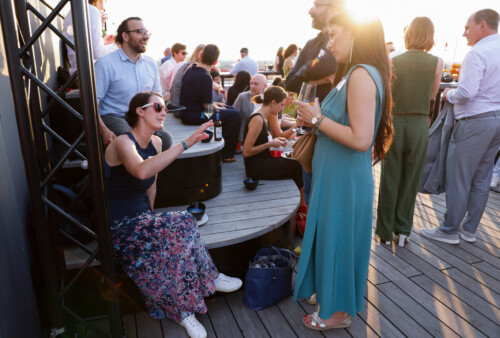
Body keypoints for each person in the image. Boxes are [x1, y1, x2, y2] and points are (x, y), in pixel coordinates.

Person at [105, 91, 242, 338]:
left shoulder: (156, 142)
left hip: (142, 220)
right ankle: (211, 278)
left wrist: (154, 222)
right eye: (158, 107)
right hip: (120, 226)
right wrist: (186, 143)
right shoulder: (123, 142)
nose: (164, 112)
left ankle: (184, 314)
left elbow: (151, 185)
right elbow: (141, 171)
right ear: (140, 110)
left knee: (175, 246)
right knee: (185, 220)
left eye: (165, 108)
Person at [293, 11, 393, 330]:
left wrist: (317, 120)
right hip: (336, 175)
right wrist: (318, 116)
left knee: (339, 239)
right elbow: (347, 124)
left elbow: (361, 139)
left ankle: (338, 314)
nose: (330, 43)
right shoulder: (354, 73)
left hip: (345, 178)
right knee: (330, 235)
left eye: (335, 34)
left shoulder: (362, 74)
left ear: (356, 35)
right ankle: (328, 292)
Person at [421, 9, 500, 244]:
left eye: (468, 27)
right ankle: (469, 229)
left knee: (459, 177)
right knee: (482, 178)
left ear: (482, 25)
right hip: (496, 121)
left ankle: (449, 230)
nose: (464, 33)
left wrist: (448, 95)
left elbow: (466, 92)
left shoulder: (477, 53)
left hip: (474, 121)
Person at [376, 17, 444, 247]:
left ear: (409, 33)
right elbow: (432, 97)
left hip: (395, 122)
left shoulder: (393, 58)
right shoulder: (438, 62)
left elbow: (387, 94)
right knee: (411, 179)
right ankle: (403, 231)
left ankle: (385, 233)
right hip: (419, 125)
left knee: (390, 178)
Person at [285, 0, 344, 205]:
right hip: (310, 135)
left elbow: (331, 63)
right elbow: (290, 81)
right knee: (311, 195)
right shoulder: (312, 44)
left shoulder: (348, 44)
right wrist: (318, 77)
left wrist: (308, 72)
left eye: (317, 4)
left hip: (339, 135)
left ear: (335, 8)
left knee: (334, 199)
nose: (310, 10)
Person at [94, 17, 172, 150]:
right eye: (140, 32)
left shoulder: (150, 62)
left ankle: (147, 168)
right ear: (125, 36)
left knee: (165, 139)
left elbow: (157, 95)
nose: (146, 36)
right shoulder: (105, 63)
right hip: (115, 116)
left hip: (142, 117)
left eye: (147, 32)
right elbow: (92, 102)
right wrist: (103, 130)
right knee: (134, 142)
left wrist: (158, 113)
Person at [242, 86, 305, 205]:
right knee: (296, 165)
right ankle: (302, 205)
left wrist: (275, 141)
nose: (282, 109)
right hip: (255, 167)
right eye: (282, 105)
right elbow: (246, 152)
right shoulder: (258, 119)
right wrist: (270, 143)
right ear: (273, 103)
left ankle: (301, 203)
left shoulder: (263, 116)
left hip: (262, 160)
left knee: (295, 159)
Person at [179, 44, 241, 162]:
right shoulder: (205, 77)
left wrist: (218, 106)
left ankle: (225, 148)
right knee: (235, 116)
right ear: (215, 61)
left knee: (230, 109)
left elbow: (202, 100)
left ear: (201, 56)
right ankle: (227, 154)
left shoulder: (192, 70)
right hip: (195, 116)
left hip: (187, 112)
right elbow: (207, 108)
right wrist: (217, 109)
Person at [63, 0, 117, 75]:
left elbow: (84, 43)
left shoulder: (74, 11)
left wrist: (103, 41)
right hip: (88, 75)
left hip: (78, 73)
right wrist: (118, 45)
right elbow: (98, 53)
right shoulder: (93, 11)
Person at [233, 73, 267, 142]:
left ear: (265, 86)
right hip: (245, 137)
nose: (252, 86)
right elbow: (233, 116)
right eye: (251, 83)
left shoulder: (268, 98)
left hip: (264, 137)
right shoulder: (242, 97)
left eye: (256, 84)